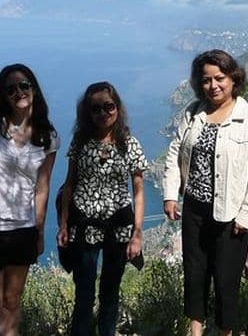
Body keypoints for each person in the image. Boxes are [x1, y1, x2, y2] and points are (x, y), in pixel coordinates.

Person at [163, 49, 248, 336]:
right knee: (195, 275)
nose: (213, 85)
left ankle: (226, 332)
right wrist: (171, 194)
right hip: (195, 210)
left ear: (233, 78)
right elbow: (175, 153)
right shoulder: (193, 112)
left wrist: (246, 216)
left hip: (231, 215)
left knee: (226, 282)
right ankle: (195, 331)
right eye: (206, 80)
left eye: (219, 78)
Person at [0, 64, 59, 335]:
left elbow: (42, 187)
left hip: (22, 229)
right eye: (10, 89)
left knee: (11, 303)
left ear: (34, 89)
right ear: (3, 96)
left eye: (24, 85)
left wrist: (39, 231)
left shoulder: (47, 136)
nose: (19, 92)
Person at [57, 81, 146, 336]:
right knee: (84, 295)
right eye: (95, 109)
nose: (103, 113)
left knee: (110, 293)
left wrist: (137, 234)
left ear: (117, 107)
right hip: (84, 227)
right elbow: (69, 184)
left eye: (108, 106)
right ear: (87, 112)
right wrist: (64, 224)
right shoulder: (80, 142)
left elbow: (139, 192)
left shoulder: (129, 144)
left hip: (118, 228)